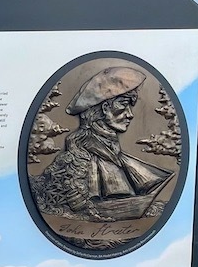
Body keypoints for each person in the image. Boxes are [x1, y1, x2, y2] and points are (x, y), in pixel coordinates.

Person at [31, 66, 171, 220]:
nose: (130, 115)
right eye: (123, 105)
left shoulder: (114, 153)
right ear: (104, 108)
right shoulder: (80, 157)